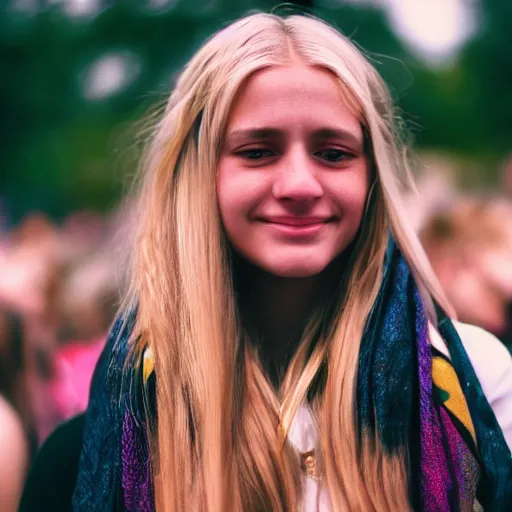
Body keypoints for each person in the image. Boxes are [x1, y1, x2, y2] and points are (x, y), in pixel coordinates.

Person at [43, 11, 511, 511]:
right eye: (258, 151)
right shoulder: (108, 433)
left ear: (373, 176)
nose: (299, 186)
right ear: (197, 173)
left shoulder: (471, 383)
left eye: (333, 153)